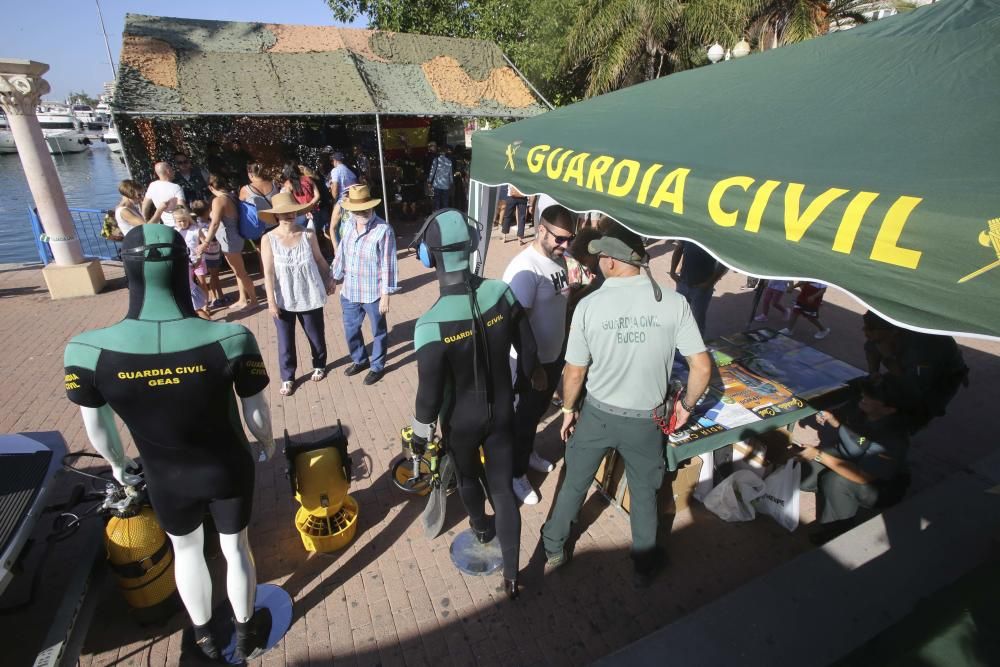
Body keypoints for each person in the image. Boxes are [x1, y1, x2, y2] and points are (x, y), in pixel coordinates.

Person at [65, 224, 274, 661]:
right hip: (227, 467)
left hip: (164, 475)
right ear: (185, 267)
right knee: (236, 548)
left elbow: (98, 429)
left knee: (186, 551)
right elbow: (257, 414)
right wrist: (266, 441)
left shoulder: (86, 351)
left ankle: (204, 638)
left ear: (129, 268)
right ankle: (244, 631)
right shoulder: (231, 339)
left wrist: (119, 465)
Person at [543, 232, 711, 587]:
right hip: (647, 422)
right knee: (645, 493)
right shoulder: (673, 302)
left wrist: (569, 409)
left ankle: (554, 547)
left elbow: (574, 372)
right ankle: (644, 564)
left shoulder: (589, 305)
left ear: (613, 262)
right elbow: (702, 367)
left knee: (574, 482)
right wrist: (685, 406)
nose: (598, 262)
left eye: (600, 256)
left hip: (599, 416)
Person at [410, 209, 544, 599]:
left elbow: (428, 398)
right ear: (472, 246)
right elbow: (530, 349)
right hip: (503, 413)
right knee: (503, 489)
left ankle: (481, 528)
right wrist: (520, 385)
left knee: (468, 477)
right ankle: (513, 577)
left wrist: (420, 438)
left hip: (461, 423)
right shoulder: (500, 293)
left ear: (429, 257)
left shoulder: (430, 325)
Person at [501, 205, 576, 504]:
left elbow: (562, 300)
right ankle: (515, 473)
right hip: (528, 364)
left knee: (535, 414)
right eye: (560, 239)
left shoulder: (560, 259)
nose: (565, 245)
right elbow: (516, 326)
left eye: (570, 239)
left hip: (553, 356)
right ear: (541, 230)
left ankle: (527, 453)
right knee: (521, 419)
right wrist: (533, 368)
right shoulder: (525, 270)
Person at [799, 380, 910, 544]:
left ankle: (838, 529)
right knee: (805, 473)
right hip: (854, 457)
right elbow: (857, 437)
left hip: (882, 486)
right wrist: (833, 420)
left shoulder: (892, 439)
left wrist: (818, 455)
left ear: (889, 409)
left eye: (872, 396)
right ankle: (836, 495)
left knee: (836, 481)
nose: (864, 396)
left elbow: (863, 477)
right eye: (866, 393)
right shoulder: (863, 408)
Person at [260, 193, 335, 397]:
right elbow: (267, 272)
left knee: (316, 335)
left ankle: (319, 364)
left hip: (309, 292)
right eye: (283, 213)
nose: (289, 215)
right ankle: (288, 377)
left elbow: (319, 260)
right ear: (276, 216)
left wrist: (329, 277)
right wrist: (271, 302)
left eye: (291, 211)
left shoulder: (308, 234)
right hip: (283, 297)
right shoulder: (268, 239)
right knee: (285, 340)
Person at [331, 185, 398, 385]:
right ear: (350, 209)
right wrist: (334, 277)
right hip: (350, 289)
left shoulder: (383, 230)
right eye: (358, 210)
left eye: (366, 209)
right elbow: (342, 252)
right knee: (351, 329)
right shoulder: (350, 224)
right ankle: (359, 360)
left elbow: (388, 264)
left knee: (378, 331)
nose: (362, 213)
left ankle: (377, 366)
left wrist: (386, 295)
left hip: (373, 291)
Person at [861, 311, 968, 432]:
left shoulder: (922, 349)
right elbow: (870, 348)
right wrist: (873, 373)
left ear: (894, 331)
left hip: (944, 375)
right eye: (865, 325)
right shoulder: (883, 335)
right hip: (911, 367)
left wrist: (889, 357)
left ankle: (913, 424)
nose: (864, 330)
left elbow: (914, 386)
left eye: (870, 327)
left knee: (914, 411)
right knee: (875, 392)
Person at [199, 174, 258, 311]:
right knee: (237, 271)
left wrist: (205, 242)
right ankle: (243, 298)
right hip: (233, 237)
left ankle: (254, 300)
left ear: (210, 187)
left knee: (241, 272)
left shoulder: (219, 200)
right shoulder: (231, 196)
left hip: (229, 240)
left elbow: (214, 223)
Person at [669, 240, 727, 335]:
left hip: (701, 288)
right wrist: (672, 272)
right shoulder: (690, 232)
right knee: (679, 317)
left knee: (696, 322)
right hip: (683, 282)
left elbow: (723, 262)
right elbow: (679, 248)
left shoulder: (715, 238)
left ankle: (696, 348)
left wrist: (709, 283)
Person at [173, 206, 211, 320]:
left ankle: (205, 306)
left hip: (198, 260)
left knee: (202, 282)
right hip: (185, 263)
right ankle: (195, 306)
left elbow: (205, 243)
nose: (182, 223)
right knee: (189, 285)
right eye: (179, 221)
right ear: (175, 222)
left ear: (188, 219)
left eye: (184, 220)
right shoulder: (175, 231)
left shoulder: (195, 229)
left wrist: (202, 248)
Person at [191, 199, 225, 308]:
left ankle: (221, 295)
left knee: (215, 275)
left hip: (214, 252)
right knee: (213, 275)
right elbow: (208, 239)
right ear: (206, 211)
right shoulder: (202, 225)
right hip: (209, 254)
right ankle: (214, 297)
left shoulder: (204, 222)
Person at [327, 151, 359, 252]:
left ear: (335, 161)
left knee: (335, 228)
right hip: (354, 202)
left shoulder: (335, 171)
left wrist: (332, 190)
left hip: (342, 202)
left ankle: (339, 252)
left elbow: (335, 190)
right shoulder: (350, 171)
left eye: (332, 161)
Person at [142, 161, 186, 228]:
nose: (174, 171)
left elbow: (145, 205)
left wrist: (145, 219)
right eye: (172, 169)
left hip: (165, 226)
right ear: (168, 171)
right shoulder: (176, 187)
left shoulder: (152, 186)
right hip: (180, 224)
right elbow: (182, 207)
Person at [280, 162, 319, 229]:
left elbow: (290, 201)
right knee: (313, 233)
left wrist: (304, 209)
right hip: (313, 210)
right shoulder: (308, 179)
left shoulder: (288, 184)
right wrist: (308, 207)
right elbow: (317, 195)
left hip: (299, 213)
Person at [240, 162, 280, 227]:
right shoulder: (273, 184)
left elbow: (241, 209)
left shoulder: (245, 189)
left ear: (250, 175)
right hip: (278, 223)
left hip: (261, 228)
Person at [427, 144, 454, 211]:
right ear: (445, 152)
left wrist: (429, 181)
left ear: (439, 152)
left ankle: (438, 214)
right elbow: (450, 173)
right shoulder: (449, 161)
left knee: (437, 201)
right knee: (445, 201)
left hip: (437, 184)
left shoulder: (436, 160)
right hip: (446, 184)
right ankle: (445, 214)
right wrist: (451, 182)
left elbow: (432, 171)